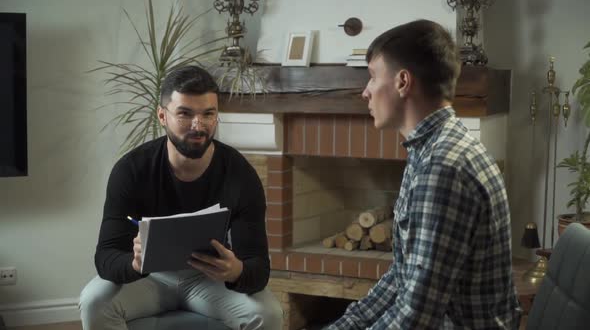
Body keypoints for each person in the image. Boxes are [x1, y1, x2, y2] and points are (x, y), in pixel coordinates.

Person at [326, 19, 521, 329]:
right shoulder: (427, 149)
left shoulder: (444, 167)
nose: (365, 92)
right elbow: (402, 278)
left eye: (373, 77)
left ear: (403, 82)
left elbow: (416, 315)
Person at [79, 65, 283, 330]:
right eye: (185, 114)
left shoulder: (240, 174)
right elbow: (106, 257)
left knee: (269, 314)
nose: (198, 126)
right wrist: (133, 264)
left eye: (208, 114)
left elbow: (259, 268)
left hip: (209, 280)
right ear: (162, 116)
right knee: (94, 301)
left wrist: (236, 272)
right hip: (148, 279)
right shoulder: (131, 170)